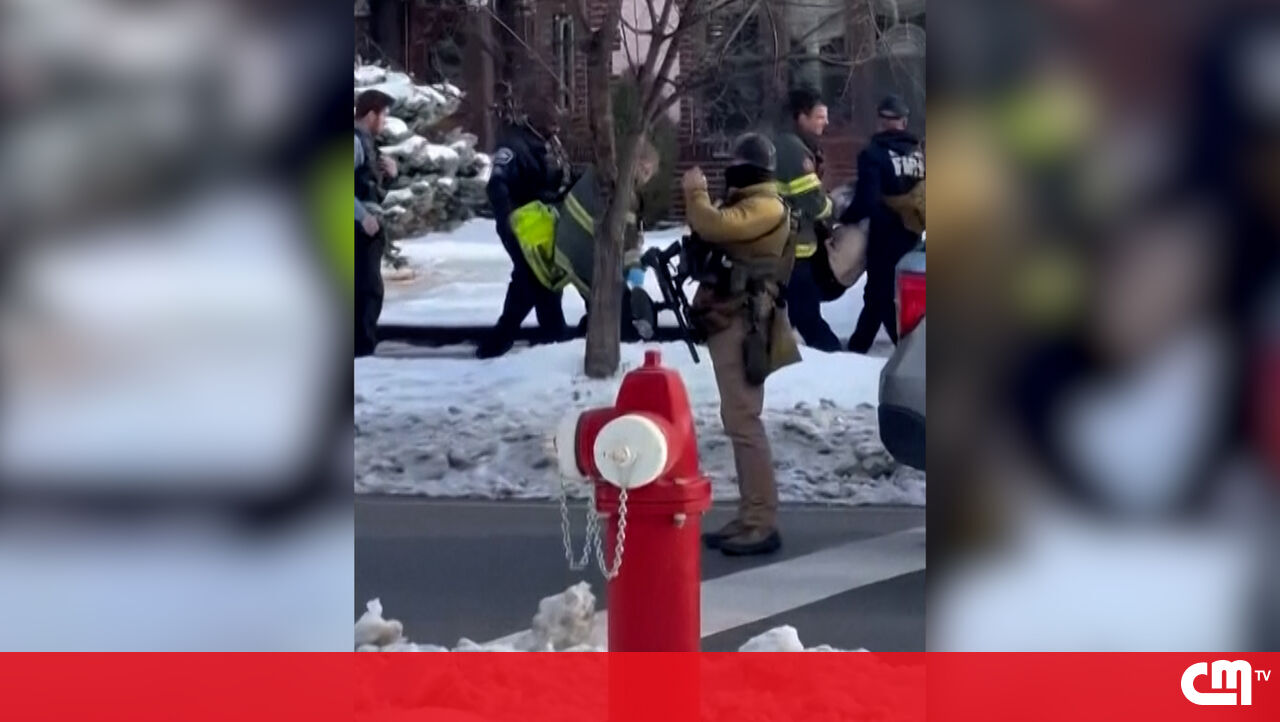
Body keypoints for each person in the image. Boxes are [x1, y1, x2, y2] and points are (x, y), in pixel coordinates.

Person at [684, 134, 801, 557]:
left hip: (745, 322)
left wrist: (695, 192)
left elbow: (714, 225)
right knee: (738, 420)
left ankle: (760, 521)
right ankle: (750, 513)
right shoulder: (749, 203)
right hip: (732, 319)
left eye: (736, 163)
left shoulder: (766, 206)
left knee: (745, 422)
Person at [506, 139, 661, 337]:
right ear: (633, 161)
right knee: (613, 299)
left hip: (565, 242)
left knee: (532, 302)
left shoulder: (601, 172)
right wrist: (634, 267)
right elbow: (627, 235)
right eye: (643, 169)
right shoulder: (623, 190)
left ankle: (577, 331)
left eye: (648, 174)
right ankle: (603, 334)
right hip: (582, 252)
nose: (644, 176)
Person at [476, 98, 573, 359]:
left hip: (544, 223)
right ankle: (502, 340)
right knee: (531, 278)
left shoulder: (550, 144)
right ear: (538, 122)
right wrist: (508, 217)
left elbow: (560, 178)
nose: (557, 129)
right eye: (552, 123)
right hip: (521, 223)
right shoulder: (513, 145)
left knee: (543, 278)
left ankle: (550, 333)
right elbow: (497, 184)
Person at [844, 94, 925, 353]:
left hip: (883, 236)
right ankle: (858, 348)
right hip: (912, 234)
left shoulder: (873, 154)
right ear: (904, 122)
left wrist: (845, 218)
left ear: (880, 121)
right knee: (880, 294)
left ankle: (907, 353)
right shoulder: (919, 154)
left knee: (883, 295)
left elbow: (866, 200)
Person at [773, 87, 841, 352]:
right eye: (819, 117)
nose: (826, 122)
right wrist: (834, 206)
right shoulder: (794, 151)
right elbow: (815, 203)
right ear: (802, 118)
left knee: (788, 315)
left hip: (785, 246)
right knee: (808, 317)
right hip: (794, 250)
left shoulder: (787, 144)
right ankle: (836, 360)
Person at [354, 89, 398, 358]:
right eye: (384, 116)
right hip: (358, 228)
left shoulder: (368, 143)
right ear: (371, 115)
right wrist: (363, 216)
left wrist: (390, 176)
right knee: (367, 291)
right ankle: (361, 350)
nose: (385, 122)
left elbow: (371, 191)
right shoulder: (355, 142)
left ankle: (362, 348)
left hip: (365, 228)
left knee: (367, 289)